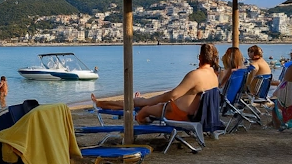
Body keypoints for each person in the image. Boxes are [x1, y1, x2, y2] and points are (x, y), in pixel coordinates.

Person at [91, 43, 219, 124]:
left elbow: (173, 95)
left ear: (200, 57)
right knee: (139, 102)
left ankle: (101, 104)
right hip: (195, 114)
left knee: (143, 109)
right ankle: (101, 103)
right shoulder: (213, 75)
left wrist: (154, 100)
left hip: (180, 113)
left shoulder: (196, 74)